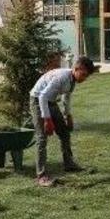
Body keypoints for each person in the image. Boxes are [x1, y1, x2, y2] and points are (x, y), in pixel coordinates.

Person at [29, 56, 97, 186]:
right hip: (38, 100)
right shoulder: (61, 77)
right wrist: (47, 119)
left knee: (64, 133)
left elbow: (66, 97)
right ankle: (41, 175)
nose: (84, 79)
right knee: (42, 138)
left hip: (51, 101)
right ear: (76, 69)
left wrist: (68, 115)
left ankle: (69, 164)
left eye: (86, 76)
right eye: (83, 75)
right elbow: (42, 96)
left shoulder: (72, 80)